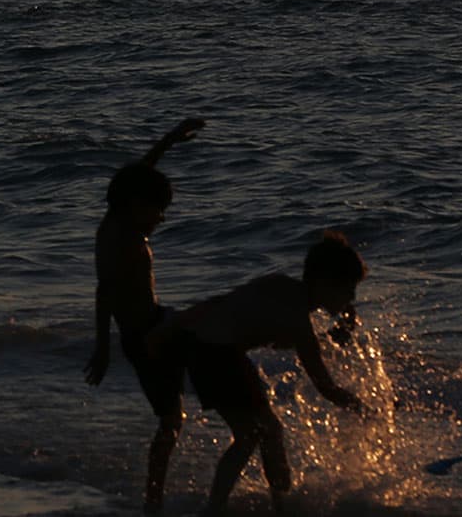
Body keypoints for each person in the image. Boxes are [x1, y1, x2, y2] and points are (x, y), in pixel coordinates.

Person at [146, 232, 368, 515]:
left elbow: (223, 304)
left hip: (205, 347)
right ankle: (216, 509)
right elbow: (324, 385)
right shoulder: (298, 319)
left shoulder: (280, 286)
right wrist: (362, 408)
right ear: (324, 283)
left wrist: (170, 327)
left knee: (268, 431)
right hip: (214, 354)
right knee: (251, 434)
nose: (352, 298)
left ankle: (278, 504)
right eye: (348, 289)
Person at [84, 116, 208, 512]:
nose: (162, 218)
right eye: (158, 210)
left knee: (209, 340)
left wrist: (168, 142)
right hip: (145, 338)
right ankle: (153, 501)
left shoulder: (115, 224)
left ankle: (154, 498)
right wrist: (103, 349)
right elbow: (105, 294)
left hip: (155, 326)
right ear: (136, 206)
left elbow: (138, 176)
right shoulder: (121, 242)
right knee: (171, 422)